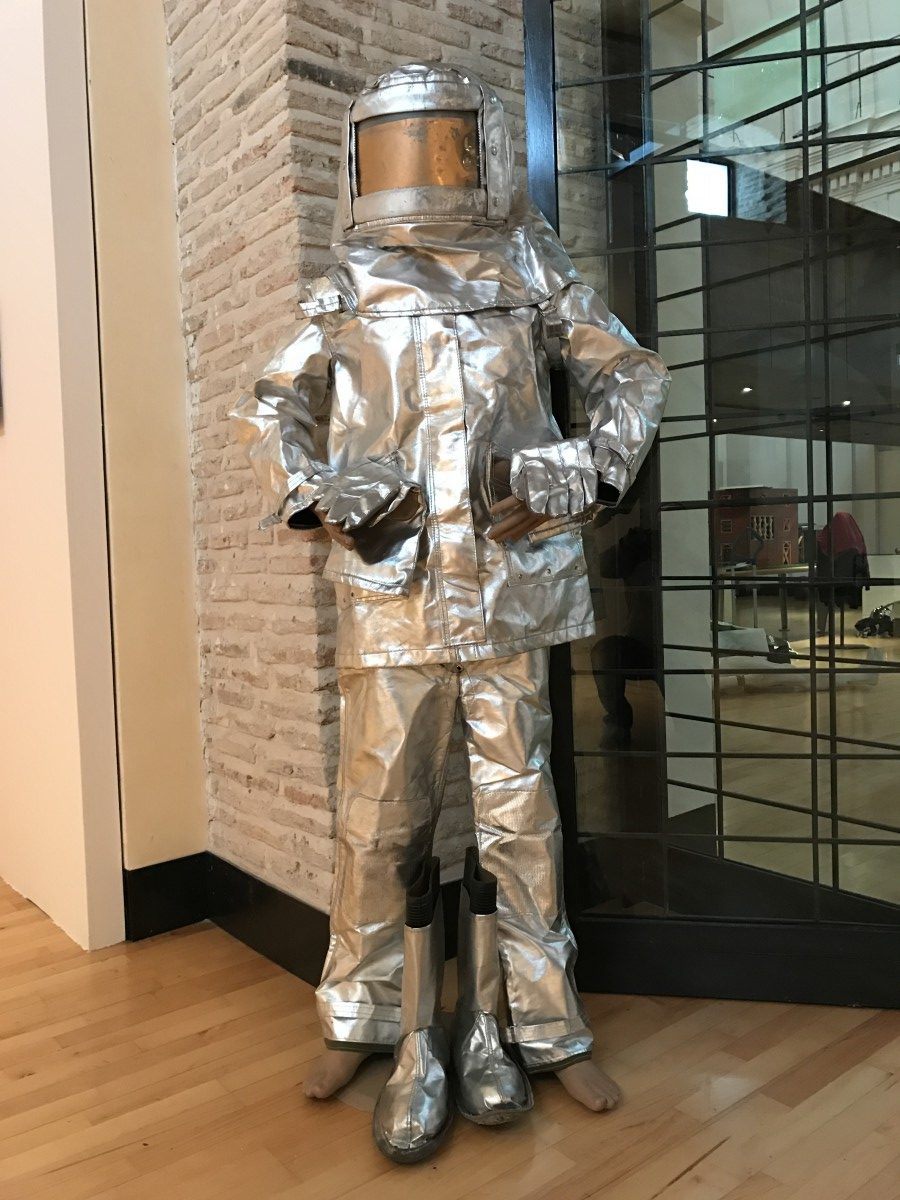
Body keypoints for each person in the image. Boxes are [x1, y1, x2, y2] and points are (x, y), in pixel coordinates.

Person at [230, 62, 669, 1162]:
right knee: (379, 817)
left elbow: (630, 377)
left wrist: (582, 470)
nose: (424, 166)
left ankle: (543, 1029)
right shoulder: (348, 279)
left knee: (523, 819)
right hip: (393, 597)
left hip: (510, 594)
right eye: (403, 143)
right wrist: (318, 494)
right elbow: (273, 405)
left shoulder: (531, 265)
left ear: (483, 148)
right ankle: (365, 1020)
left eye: (444, 142)